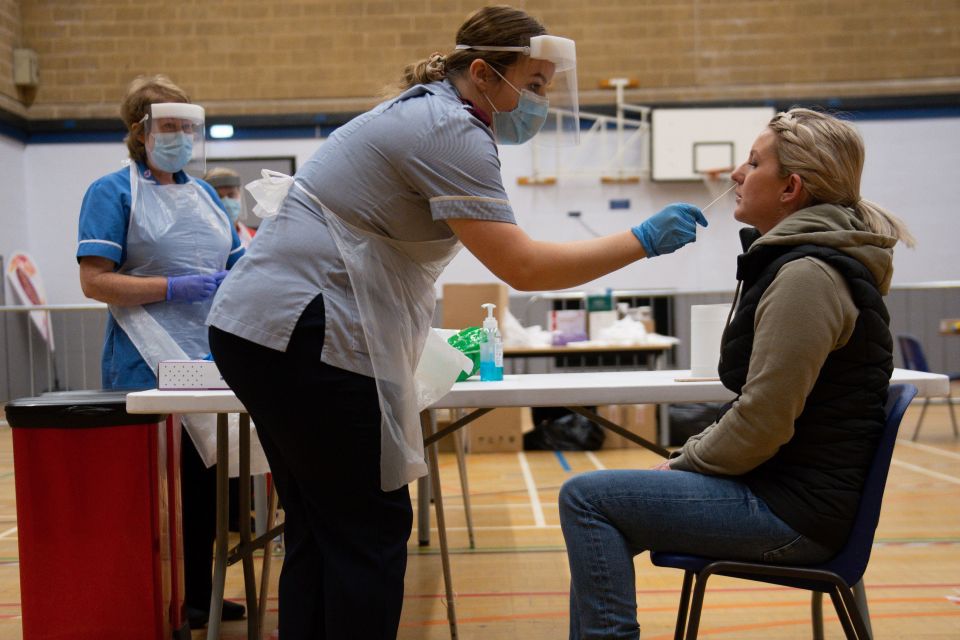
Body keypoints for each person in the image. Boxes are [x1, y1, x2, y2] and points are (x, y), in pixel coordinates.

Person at [206, 6, 706, 638]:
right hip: (300, 329)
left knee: (322, 524)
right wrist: (640, 239)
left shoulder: (429, 113)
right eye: (534, 84)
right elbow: (520, 265)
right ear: (481, 72)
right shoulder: (450, 130)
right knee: (368, 525)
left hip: (263, 327)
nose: (541, 101)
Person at [558, 107, 915, 639]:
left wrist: (683, 465)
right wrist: (688, 461)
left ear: (791, 187)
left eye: (753, 163)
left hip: (793, 515)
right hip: (793, 497)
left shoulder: (807, 277)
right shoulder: (807, 263)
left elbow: (763, 422)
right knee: (604, 500)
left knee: (587, 499)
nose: (735, 175)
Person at [76, 75, 246, 630]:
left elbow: (240, 264)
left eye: (187, 127)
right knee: (151, 493)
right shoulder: (112, 193)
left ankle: (201, 592)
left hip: (203, 359)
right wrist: (170, 288)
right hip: (142, 358)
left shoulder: (203, 197)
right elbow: (95, 281)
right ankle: (152, 595)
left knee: (203, 488)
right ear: (140, 131)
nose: (180, 137)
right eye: (168, 126)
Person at [204, 167, 256, 247]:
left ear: (239, 194)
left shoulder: (254, 238)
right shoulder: (199, 239)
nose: (227, 202)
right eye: (218, 196)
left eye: (231, 195)